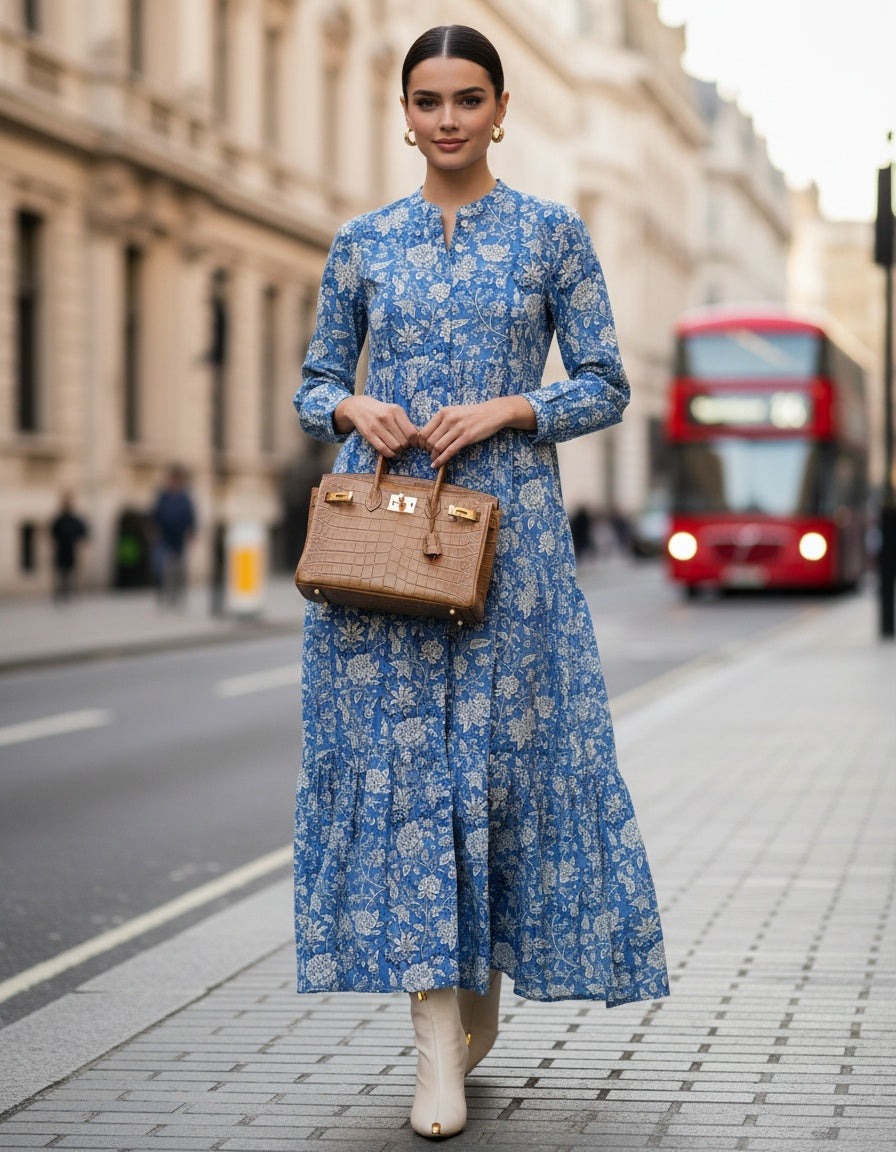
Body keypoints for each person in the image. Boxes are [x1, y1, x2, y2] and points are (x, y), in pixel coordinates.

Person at [293, 25, 668, 1139]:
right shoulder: (361, 244)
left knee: (500, 779)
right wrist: (352, 407)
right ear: (402, 113)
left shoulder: (552, 237)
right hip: (384, 547)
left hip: (516, 550)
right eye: (426, 99)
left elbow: (604, 383)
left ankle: (477, 1013)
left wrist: (514, 406)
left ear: (499, 109)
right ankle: (432, 1056)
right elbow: (317, 378)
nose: (446, 118)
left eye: (466, 99)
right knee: (411, 788)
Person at [151, 466, 196, 606]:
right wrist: (153, 527)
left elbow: (191, 516)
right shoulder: (163, 496)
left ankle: (176, 596)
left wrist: (191, 531)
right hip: (164, 536)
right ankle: (161, 592)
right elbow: (155, 513)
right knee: (159, 565)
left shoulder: (184, 498)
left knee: (179, 569)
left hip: (179, 537)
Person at [50, 492, 88, 601]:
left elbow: (83, 533)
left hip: (71, 549)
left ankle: (73, 591)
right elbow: (53, 533)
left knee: (72, 572)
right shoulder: (60, 520)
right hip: (61, 549)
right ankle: (62, 592)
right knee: (62, 572)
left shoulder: (73, 519)